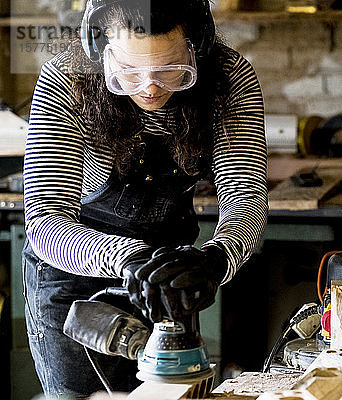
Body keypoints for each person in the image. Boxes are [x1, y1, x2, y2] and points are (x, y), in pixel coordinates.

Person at [22, 0, 268, 398]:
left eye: (172, 70)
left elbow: (245, 197)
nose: (150, 87)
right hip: (75, 276)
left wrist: (216, 260)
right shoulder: (66, 81)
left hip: (170, 273)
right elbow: (47, 222)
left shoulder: (228, 77)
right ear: (99, 47)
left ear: (197, 46)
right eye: (129, 72)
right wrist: (132, 258)